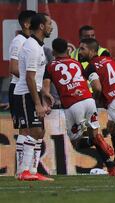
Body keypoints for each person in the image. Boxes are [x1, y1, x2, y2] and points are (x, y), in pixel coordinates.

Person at [42, 38, 115, 176]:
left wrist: (46, 100)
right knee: (95, 134)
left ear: (53, 51)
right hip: (88, 100)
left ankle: (95, 141)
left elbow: (46, 89)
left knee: (75, 142)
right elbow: (88, 82)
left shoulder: (50, 66)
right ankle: (111, 167)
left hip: (72, 105)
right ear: (68, 50)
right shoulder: (76, 63)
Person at [71, 25, 115, 170]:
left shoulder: (102, 53)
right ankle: (112, 161)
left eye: (93, 36)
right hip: (85, 98)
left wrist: (111, 89)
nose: (91, 38)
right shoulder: (74, 55)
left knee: (114, 126)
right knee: (88, 130)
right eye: (87, 36)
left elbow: (113, 73)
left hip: (100, 96)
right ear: (80, 39)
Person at [12, 13, 53, 181]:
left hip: (32, 92)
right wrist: (37, 103)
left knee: (39, 131)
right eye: (49, 23)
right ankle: (24, 171)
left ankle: (31, 170)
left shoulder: (37, 46)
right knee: (35, 130)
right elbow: (28, 77)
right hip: (25, 94)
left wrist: (45, 93)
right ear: (41, 27)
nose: (51, 26)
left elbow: (34, 77)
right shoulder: (32, 47)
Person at [7, 10, 37, 178]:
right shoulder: (19, 41)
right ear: (26, 24)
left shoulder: (30, 42)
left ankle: (28, 169)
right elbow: (13, 69)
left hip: (27, 88)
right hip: (19, 88)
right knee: (25, 129)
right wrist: (30, 79)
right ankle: (22, 170)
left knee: (31, 129)